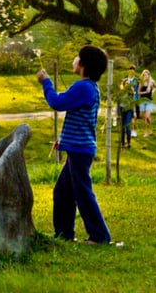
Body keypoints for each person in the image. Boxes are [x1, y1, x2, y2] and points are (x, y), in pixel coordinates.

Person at [35, 45, 112, 245]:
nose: (75, 60)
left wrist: (46, 83)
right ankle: (64, 236)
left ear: (84, 64)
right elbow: (81, 120)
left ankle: (100, 236)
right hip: (78, 148)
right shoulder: (89, 88)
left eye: (78, 57)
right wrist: (64, 141)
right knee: (62, 192)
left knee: (83, 193)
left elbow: (57, 102)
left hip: (80, 150)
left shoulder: (83, 87)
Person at [136, 69, 156, 137]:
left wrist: (152, 92)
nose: (145, 76)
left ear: (149, 75)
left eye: (147, 75)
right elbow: (138, 92)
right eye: (144, 75)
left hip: (149, 101)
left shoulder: (151, 82)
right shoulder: (141, 83)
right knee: (144, 118)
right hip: (142, 101)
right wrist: (145, 92)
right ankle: (148, 130)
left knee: (147, 117)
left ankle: (147, 132)